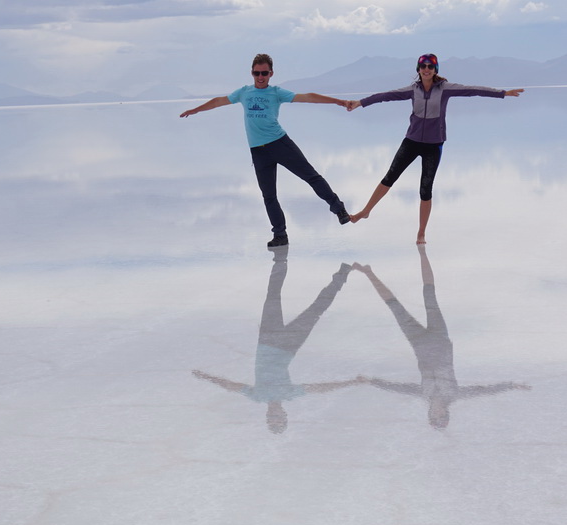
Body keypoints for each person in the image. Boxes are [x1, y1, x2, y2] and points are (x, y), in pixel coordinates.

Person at [346, 53, 524, 244]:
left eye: (430, 66)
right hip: (411, 141)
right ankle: (366, 211)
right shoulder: (412, 90)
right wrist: (360, 103)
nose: (427, 70)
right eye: (423, 66)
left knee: (425, 189)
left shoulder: (445, 89)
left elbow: (473, 90)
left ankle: (421, 232)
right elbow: (385, 96)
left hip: (433, 145)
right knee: (390, 177)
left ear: (435, 69)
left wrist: (503, 93)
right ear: (418, 69)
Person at [180, 53, 352, 248]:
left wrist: (337, 102)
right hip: (258, 151)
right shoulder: (244, 92)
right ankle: (280, 234)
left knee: (311, 176)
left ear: (271, 73)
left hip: (280, 144)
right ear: (252, 73)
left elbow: (308, 97)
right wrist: (195, 110)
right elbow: (219, 101)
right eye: (257, 73)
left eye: (264, 73)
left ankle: (339, 209)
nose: (260, 77)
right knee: (269, 196)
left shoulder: (276, 93)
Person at [353, 245, 531, 429]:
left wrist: (371, 381)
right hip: (440, 339)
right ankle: (422, 252)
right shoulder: (454, 394)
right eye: (441, 415)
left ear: (430, 413)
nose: (438, 412)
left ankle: (368, 272)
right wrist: (511, 385)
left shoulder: (423, 393)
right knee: (429, 294)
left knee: (394, 307)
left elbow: (398, 388)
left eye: (435, 415)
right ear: (446, 412)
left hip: (419, 342)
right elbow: (483, 391)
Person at [193, 249, 366, 433]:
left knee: (272, 295)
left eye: (271, 419)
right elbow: (320, 388)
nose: (273, 416)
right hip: (289, 345)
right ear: (284, 415)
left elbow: (231, 386)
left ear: (267, 416)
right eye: (278, 419)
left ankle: (280, 259)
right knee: (317, 308)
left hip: (267, 338)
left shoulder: (258, 396)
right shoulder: (289, 393)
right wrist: (351, 382)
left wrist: (207, 377)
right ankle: (342, 274)